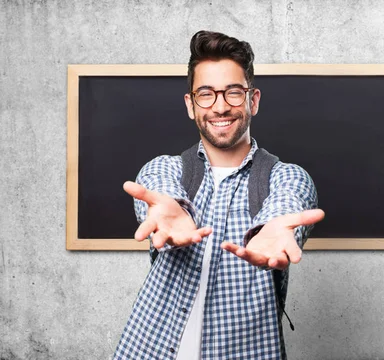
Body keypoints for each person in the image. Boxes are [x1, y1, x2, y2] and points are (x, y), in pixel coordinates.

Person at [113, 30, 324, 360]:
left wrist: (275, 228)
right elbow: (156, 186)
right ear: (191, 105)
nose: (221, 107)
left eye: (234, 93)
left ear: (253, 100)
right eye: (206, 94)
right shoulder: (166, 170)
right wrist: (171, 213)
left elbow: (291, 198)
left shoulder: (285, 177)